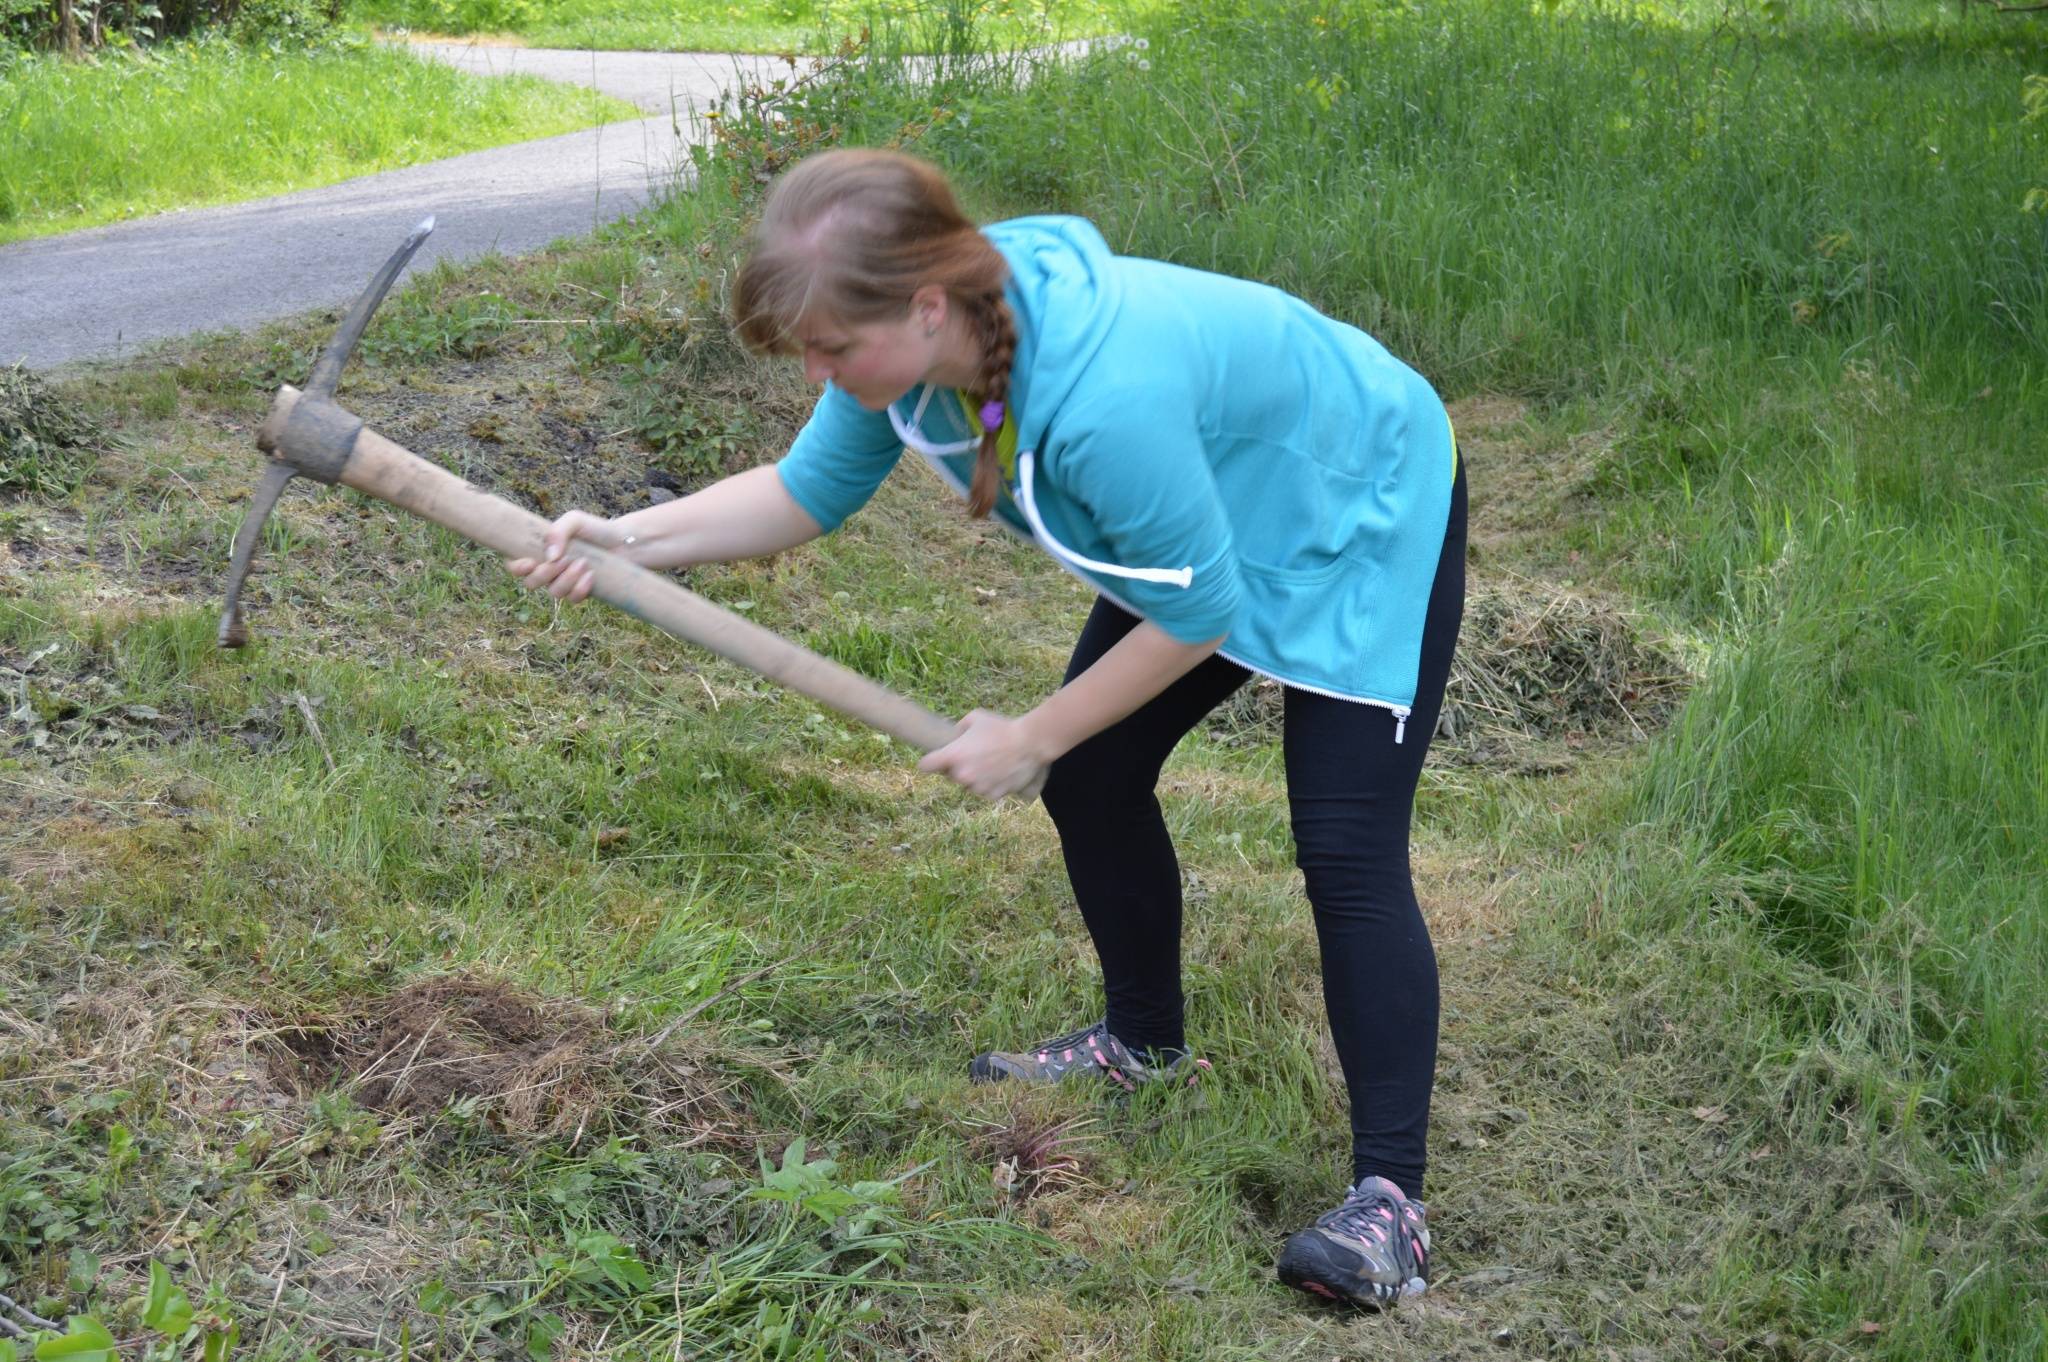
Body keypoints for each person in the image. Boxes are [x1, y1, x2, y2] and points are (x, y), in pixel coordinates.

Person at [506, 147, 1466, 1309]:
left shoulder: (1103, 402)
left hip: (1353, 496)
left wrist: (1032, 733)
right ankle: (1142, 1047)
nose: (816, 371)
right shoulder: (922, 354)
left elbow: (1198, 615)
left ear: (924, 304)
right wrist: (625, 539)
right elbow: (804, 492)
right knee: (1095, 779)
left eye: (829, 348)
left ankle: (1390, 1205)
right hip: (1205, 506)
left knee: (1345, 847)